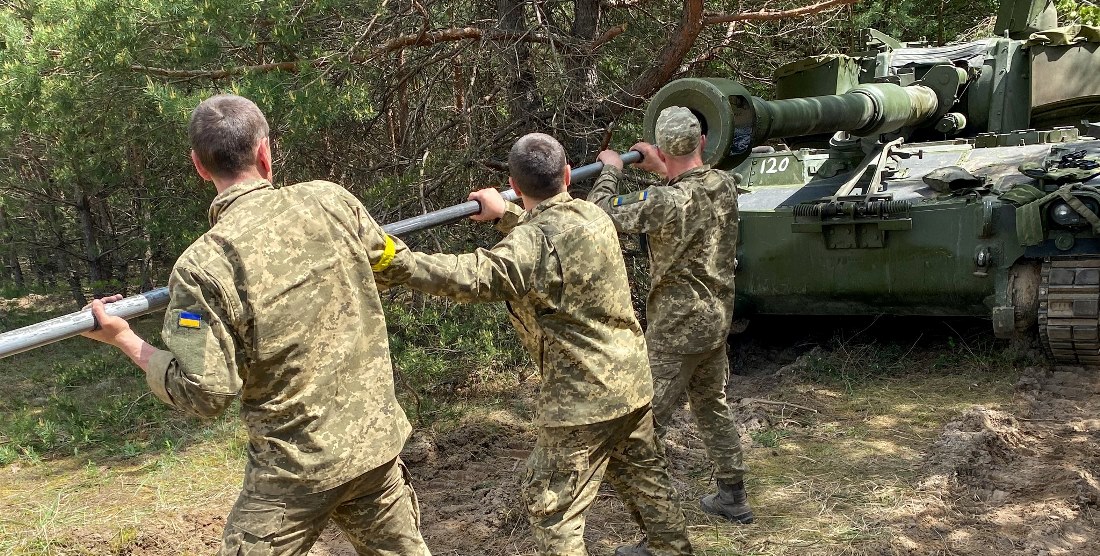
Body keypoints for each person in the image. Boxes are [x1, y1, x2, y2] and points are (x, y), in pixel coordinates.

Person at [81, 94, 431, 556]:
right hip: (374, 450)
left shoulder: (202, 268)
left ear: (198, 167)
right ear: (266, 152)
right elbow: (389, 266)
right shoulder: (331, 201)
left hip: (293, 476)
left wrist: (124, 338)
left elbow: (205, 395)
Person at [378, 133, 692, 556]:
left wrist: (392, 259)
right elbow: (547, 237)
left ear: (515, 182)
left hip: (582, 401)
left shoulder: (534, 241)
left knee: (554, 511)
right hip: (630, 384)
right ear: (566, 174)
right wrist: (503, 213)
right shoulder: (592, 215)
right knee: (648, 483)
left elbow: (473, 274)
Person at [587, 106, 753, 525]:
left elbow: (598, 214)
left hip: (676, 331)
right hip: (715, 321)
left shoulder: (661, 201)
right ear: (702, 142)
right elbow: (688, 189)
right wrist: (663, 166)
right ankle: (732, 494)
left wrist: (611, 170)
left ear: (662, 147)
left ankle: (658, 532)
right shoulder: (724, 184)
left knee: (643, 429)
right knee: (711, 406)